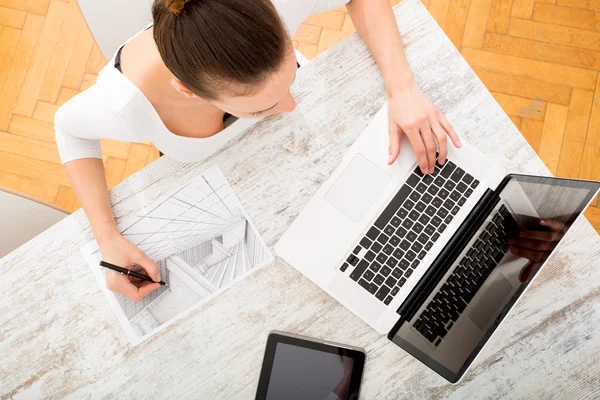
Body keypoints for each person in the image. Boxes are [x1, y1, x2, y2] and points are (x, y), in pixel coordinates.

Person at [55, 0, 461, 302]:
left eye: (290, 79)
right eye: (263, 106)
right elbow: (69, 130)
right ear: (189, 91)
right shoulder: (124, 107)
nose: (289, 107)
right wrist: (106, 237)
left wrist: (402, 87)